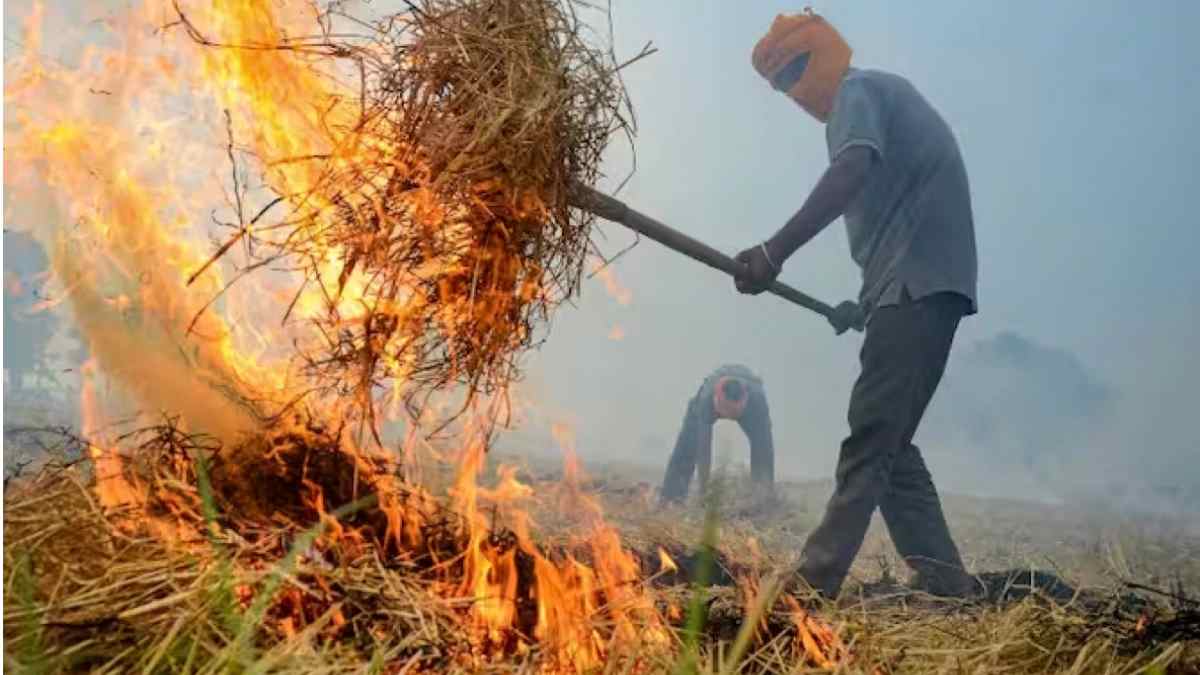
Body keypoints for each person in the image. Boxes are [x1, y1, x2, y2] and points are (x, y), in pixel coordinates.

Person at [733, 10, 980, 599]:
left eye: (795, 70)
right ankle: (947, 584)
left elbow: (852, 170)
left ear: (821, 53)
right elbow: (895, 218)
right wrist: (864, 306)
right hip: (914, 289)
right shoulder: (874, 95)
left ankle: (812, 584)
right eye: (781, 83)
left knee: (870, 436)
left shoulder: (857, 91)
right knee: (891, 446)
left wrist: (774, 250)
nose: (794, 89)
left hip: (915, 286)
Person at [659, 364, 774, 504]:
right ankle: (670, 500)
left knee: (763, 456)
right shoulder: (706, 399)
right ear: (717, 399)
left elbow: (765, 453)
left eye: (734, 411)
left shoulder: (757, 402)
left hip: (751, 402)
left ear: (744, 401)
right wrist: (704, 493)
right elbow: (703, 452)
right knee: (686, 448)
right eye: (725, 408)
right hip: (709, 399)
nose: (729, 414)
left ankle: (762, 502)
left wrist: (764, 491)